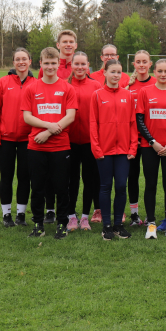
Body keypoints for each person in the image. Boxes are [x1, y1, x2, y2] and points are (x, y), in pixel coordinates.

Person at [22, 47, 78, 239]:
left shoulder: (67, 88)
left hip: (60, 146)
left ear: (58, 64)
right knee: (37, 188)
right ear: (40, 64)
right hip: (36, 146)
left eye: (53, 63)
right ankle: (38, 225)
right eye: (46, 63)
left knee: (62, 187)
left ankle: (62, 224)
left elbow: (70, 116)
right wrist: (48, 127)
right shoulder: (31, 88)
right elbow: (27, 117)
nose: (50, 66)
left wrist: (48, 132)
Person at [135, 59, 166, 239]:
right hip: (150, 147)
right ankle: (151, 223)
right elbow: (140, 120)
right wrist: (152, 142)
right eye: (160, 71)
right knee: (150, 184)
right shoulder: (145, 91)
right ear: (154, 72)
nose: (163, 74)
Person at [90, 59, 138, 241]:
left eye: (119, 72)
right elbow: (93, 123)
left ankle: (118, 224)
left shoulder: (128, 95)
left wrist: (133, 147)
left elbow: (133, 123)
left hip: (124, 151)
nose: (116, 75)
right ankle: (107, 226)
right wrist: (96, 148)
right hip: (104, 150)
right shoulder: (97, 95)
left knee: (121, 186)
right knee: (105, 187)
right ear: (105, 73)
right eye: (112, 72)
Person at [0, 47, 34, 227]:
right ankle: (6, 215)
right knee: (6, 176)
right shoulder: (3, 82)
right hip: (5, 139)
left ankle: (21, 215)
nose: (21, 62)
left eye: (24, 59)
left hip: (28, 140)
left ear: (30, 61)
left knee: (24, 177)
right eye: (18, 59)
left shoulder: (36, 83)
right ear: (13, 62)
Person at [65, 51, 102, 231]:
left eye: (83, 64)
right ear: (71, 65)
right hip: (68, 141)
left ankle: (85, 217)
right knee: (71, 179)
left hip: (89, 141)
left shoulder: (96, 86)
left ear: (88, 66)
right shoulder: (64, 85)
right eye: (76, 64)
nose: (79, 67)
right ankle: (71, 216)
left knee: (90, 179)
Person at [125, 50, 157, 225]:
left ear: (150, 64)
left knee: (151, 178)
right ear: (134, 64)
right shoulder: (128, 86)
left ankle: (150, 214)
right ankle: (134, 214)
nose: (142, 64)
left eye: (145, 61)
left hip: (150, 140)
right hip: (132, 140)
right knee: (133, 177)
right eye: (139, 62)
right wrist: (132, 138)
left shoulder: (156, 83)